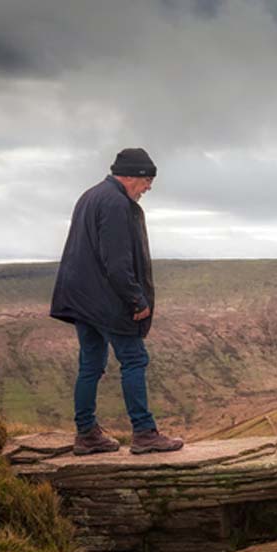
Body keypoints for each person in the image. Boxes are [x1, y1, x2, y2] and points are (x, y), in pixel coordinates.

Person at [49, 148, 183, 455]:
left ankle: (86, 434)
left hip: (83, 299)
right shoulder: (116, 204)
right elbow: (117, 262)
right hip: (106, 301)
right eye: (147, 180)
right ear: (131, 176)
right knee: (134, 359)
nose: (148, 187)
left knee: (91, 364)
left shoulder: (91, 196)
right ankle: (144, 433)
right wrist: (137, 300)